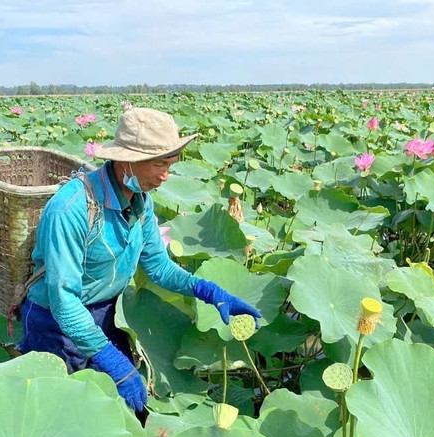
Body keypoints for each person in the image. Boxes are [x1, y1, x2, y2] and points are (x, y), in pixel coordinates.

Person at [17, 107, 262, 413]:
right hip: (54, 321)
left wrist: (211, 292)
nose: (164, 176)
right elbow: (64, 301)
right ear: (126, 160)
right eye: (158, 164)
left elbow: (158, 267)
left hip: (107, 310)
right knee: (61, 411)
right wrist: (112, 360)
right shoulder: (70, 209)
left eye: (170, 165)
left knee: (124, 407)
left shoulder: (141, 201)